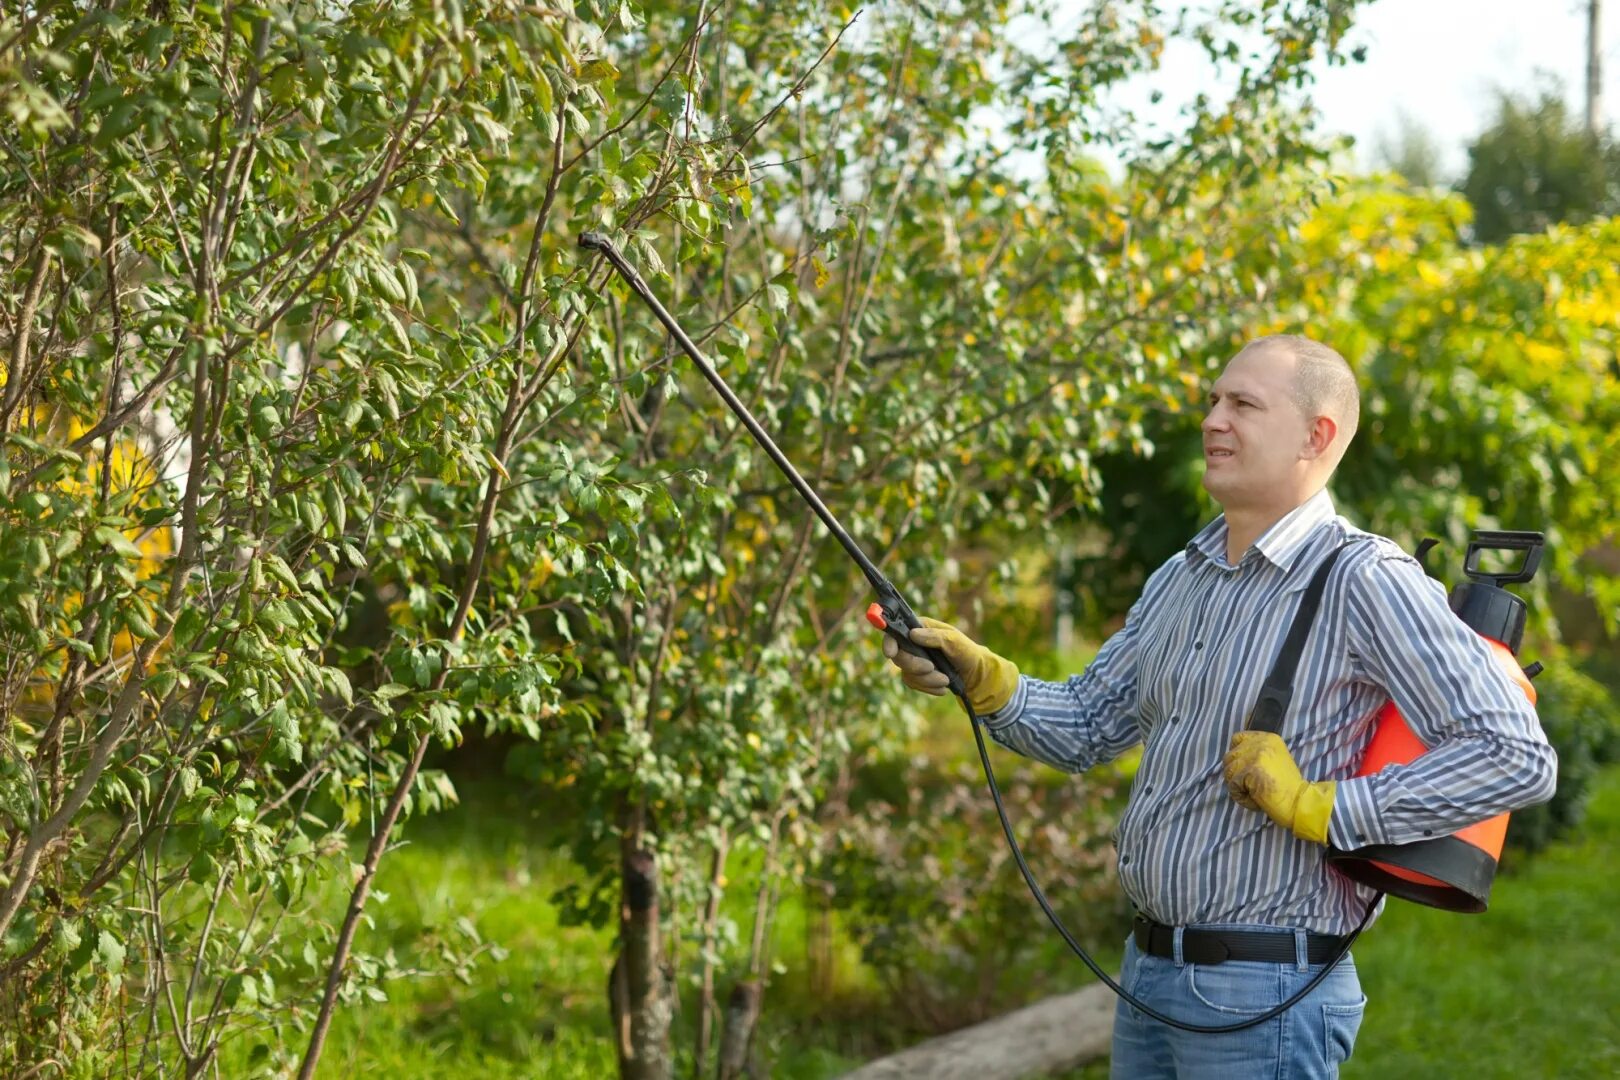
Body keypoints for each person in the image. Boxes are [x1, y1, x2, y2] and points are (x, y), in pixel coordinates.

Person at [878, 334, 1557, 1079]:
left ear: (1316, 434)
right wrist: (990, 682)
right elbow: (1088, 727)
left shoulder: (1365, 577)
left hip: (1264, 992)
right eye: (1213, 401)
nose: (1212, 420)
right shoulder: (1183, 574)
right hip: (1149, 975)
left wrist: (1323, 806)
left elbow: (1515, 756)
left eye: (1242, 404)